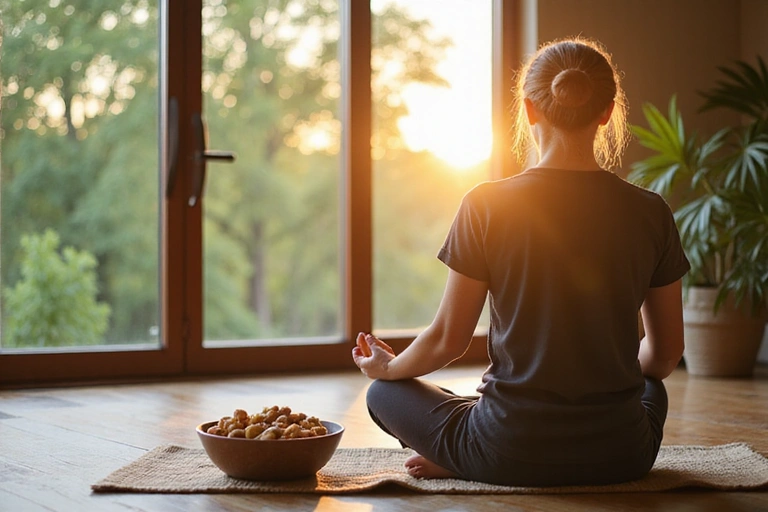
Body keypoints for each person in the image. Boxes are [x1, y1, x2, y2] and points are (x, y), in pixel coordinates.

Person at [351, 36, 690, 487]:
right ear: (607, 113)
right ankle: (464, 448)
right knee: (652, 386)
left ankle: (460, 456)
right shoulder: (651, 211)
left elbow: (449, 340)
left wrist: (387, 369)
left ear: (529, 110)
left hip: (506, 450)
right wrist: (615, 371)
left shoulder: (486, 204)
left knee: (383, 394)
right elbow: (665, 355)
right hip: (622, 455)